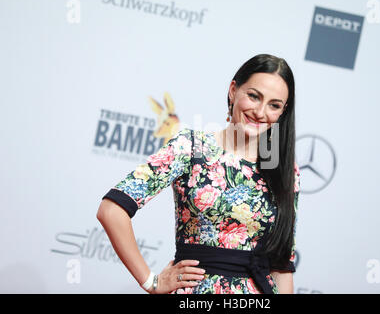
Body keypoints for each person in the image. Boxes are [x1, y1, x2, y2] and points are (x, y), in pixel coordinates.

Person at [97, 53, 301, 294]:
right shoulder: (190, 147)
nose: (260, 112)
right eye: (254, 96)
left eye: (274, 105)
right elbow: (111, 210)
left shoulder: (284, 169)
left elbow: (281, 264)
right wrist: (151, 281)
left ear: (283, 111)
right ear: (233, 90)